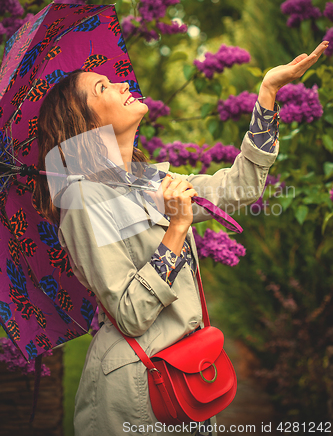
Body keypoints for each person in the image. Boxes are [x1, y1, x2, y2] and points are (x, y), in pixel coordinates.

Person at [33, 41, 328, 436]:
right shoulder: (84, 199)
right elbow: (130, 313)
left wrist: (268, 93)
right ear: (85, 123)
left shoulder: (147, 181)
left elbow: (240, 186)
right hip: (137, 388)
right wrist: (176, 228)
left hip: (182, 373)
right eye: (103, 87)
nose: (121, 84)